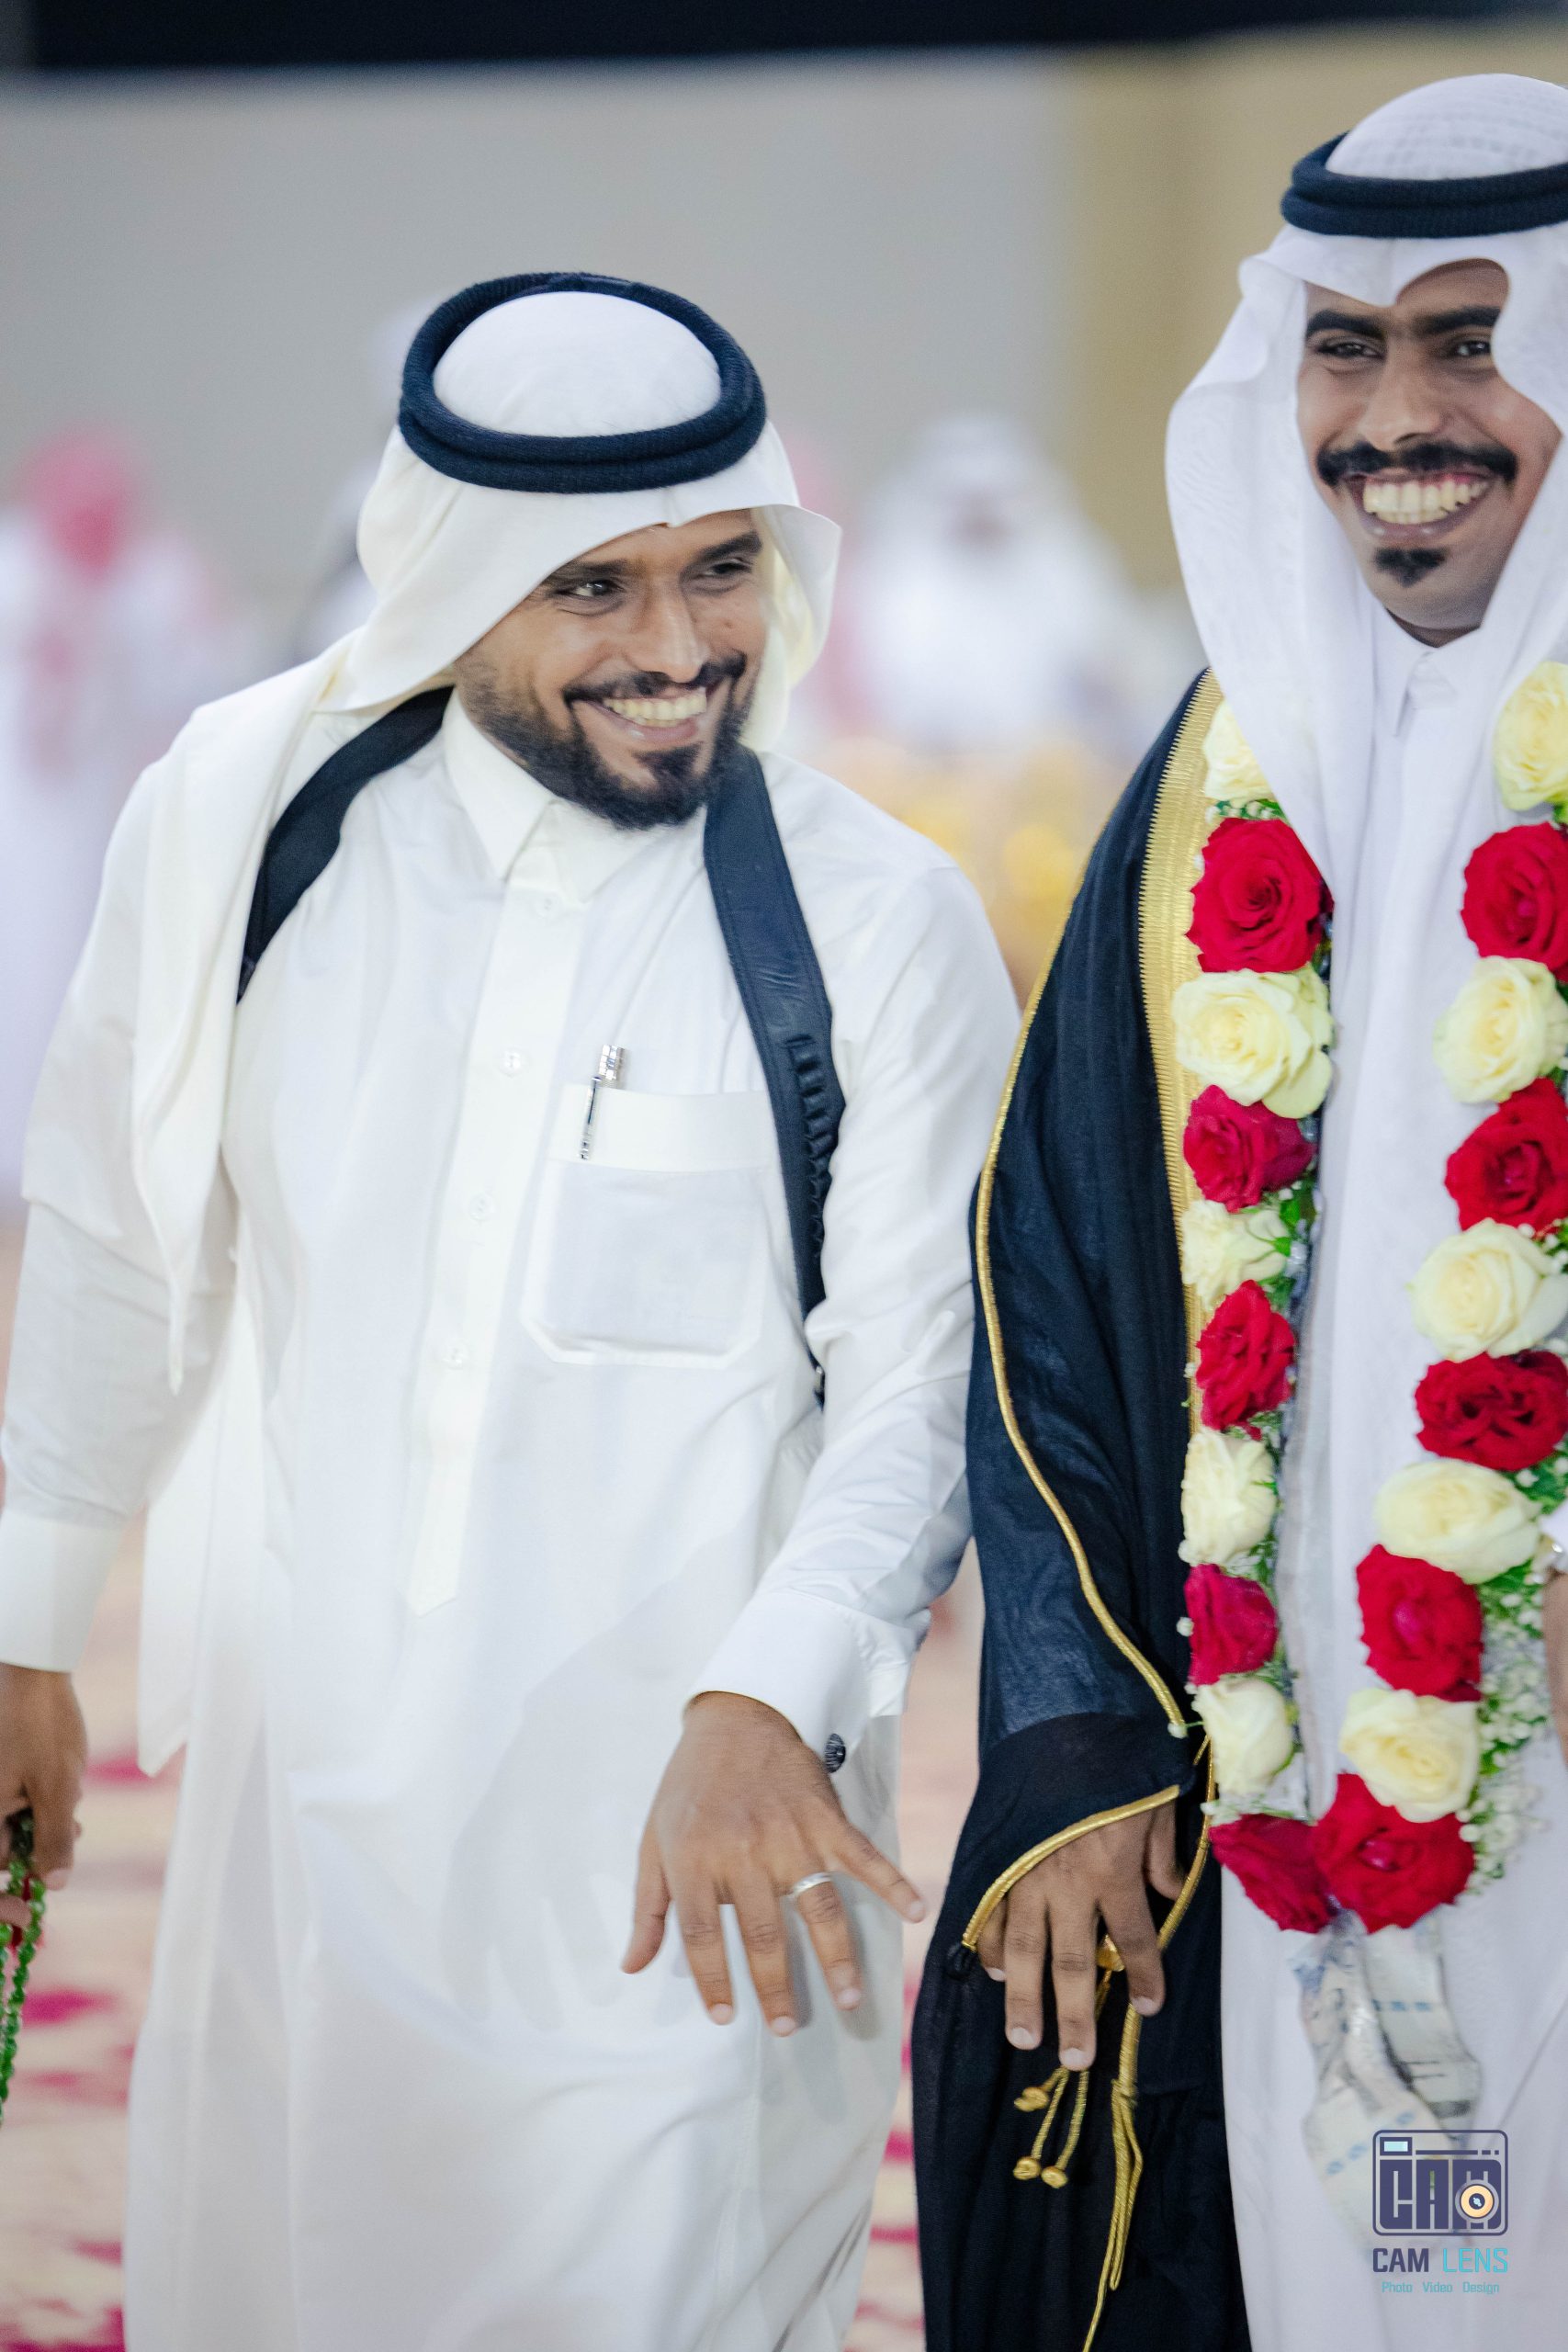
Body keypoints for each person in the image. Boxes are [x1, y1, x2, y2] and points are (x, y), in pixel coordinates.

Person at [0, 274, 1018, 2351]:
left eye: (719, 568)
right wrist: (27, 1626)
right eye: (590, 586)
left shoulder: (872, 921)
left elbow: (920, 1386)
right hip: (304, 1842)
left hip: (691, 1862)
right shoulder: (250, 835)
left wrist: (771, 1695)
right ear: (452, 584)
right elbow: (119, 1239)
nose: (678, 645)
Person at [914, 75, 1568, 2352]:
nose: (1395, 421)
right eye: (1343, 349)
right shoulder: (1219, 780)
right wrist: (1078, 1729)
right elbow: (1052, 1276)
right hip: (1290, 1783)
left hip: (1537, 1741)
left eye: (1471, 342)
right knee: (1377, 2258)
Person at [0, 433, 234, 1204]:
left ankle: (73, 1164)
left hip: (102, 824)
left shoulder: (153, 575)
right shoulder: (17, 569)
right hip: (26, 825)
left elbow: (199, 680)